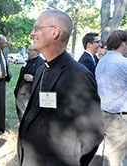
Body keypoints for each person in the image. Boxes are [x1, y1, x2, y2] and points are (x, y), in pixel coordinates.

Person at [17, 10, 104, 166]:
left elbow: (92, 135)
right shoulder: (41, 69)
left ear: (54, 32)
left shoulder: (79, 75)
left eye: (36, 29)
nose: (32, 33)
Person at [94, 30, 127, 166]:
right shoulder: (123, 63)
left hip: (102, 115)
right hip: (118, 119)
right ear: (123, 43)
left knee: (104, 155)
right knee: (115, 160)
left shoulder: (102, 61)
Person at [14, 44, 44, 121]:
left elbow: (44, 79)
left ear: (37, 52)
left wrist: (33, 78)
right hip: (20, 91)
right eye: (27, 49)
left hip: (29, 94)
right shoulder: (28, 61)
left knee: (26, 115)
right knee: (21, 114)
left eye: (30, 50)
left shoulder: (41, 63)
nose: (27, 51)